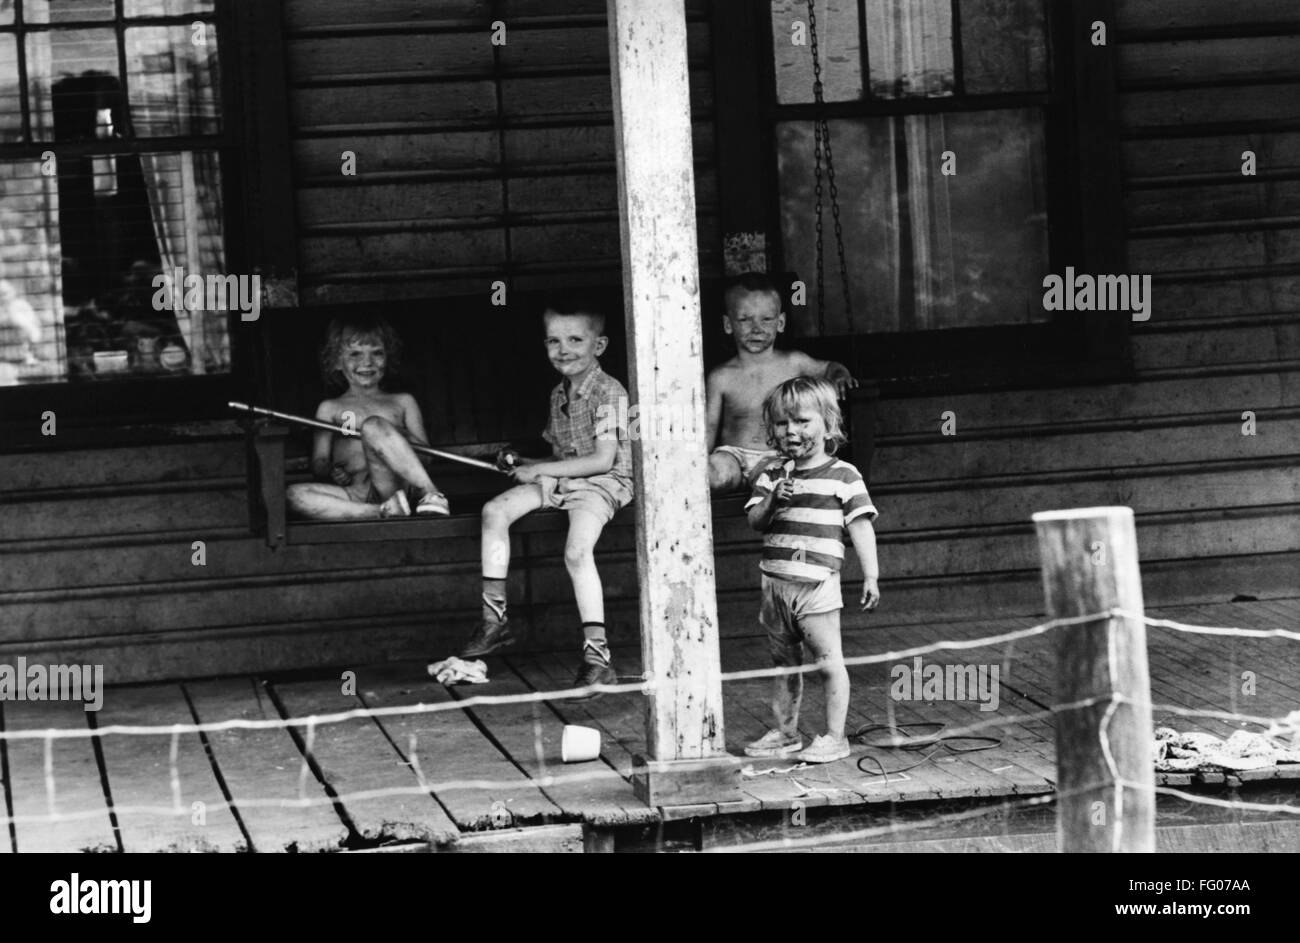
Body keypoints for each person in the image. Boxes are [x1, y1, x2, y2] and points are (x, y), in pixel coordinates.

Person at [458, 297, 633, 700]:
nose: (563, 349)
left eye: (575, 340)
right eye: (554, 341)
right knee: (494, 510)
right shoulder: (559, 394)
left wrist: (542, 472)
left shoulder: (610, 392)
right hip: (566, 480)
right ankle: (495, 621)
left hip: (604, 483)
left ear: (599, 345)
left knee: (576, 551)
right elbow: (561, 458)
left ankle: (597, 658)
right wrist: (526, 463)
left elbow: (602, 460)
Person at [743, 376, 881, 764]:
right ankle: (785, 733)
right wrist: (772, 500)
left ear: (828, 423)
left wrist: (871, 575)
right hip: (775, 583)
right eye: (782, 423)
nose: (791, 431)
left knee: (827, 661)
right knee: (783, 663)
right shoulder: (771, 474)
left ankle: (835, 737)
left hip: (816, 585)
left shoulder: (844, 475)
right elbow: (755, 521)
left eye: (802, 421)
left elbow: (861, 527)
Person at [287, 314, 450, 520]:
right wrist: (332, 471)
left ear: (388, 357)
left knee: (372, 426)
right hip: (356, 491)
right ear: (336, 361)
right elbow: (319, 462)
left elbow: (426, 457)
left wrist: (396, 434)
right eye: (355, 354)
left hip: (395, 487)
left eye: (377, 353)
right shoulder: (330, 408)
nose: (367, 362)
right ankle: (382, 512)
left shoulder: (403, 402)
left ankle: (431, 493)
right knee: (294, 495)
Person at [706, 273, 857, 494]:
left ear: (781, 322)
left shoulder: (794, 362)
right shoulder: (720, 376)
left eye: (766, 319)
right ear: (728, 324)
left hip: (777, 456)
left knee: (776, 477)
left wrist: (840, 375)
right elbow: (708, 429)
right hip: (732, 455)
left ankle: (765, 488)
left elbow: (829, 367)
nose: (756, 328)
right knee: (714, 474)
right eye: (745, 319)